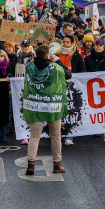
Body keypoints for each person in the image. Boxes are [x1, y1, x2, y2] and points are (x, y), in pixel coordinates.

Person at [23, 45, 71, 175]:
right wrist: (57, 60)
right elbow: (68, 74)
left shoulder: (30, 67)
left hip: (35, 105)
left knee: (34, 136)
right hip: (52, 105)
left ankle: (30, 165)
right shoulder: (55, 68)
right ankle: (57, 164)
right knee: (55, 135)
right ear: (48, 55)